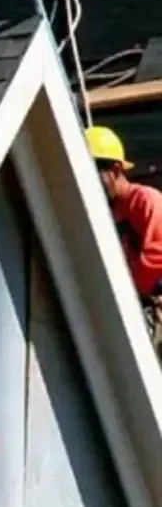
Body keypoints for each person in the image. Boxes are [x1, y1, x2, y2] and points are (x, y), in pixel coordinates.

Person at [85, 125, 162, 351]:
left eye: (93, 172)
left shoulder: (144, 201)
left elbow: (158, 257)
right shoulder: (105, 213)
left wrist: (122, 286)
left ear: (116, 169)